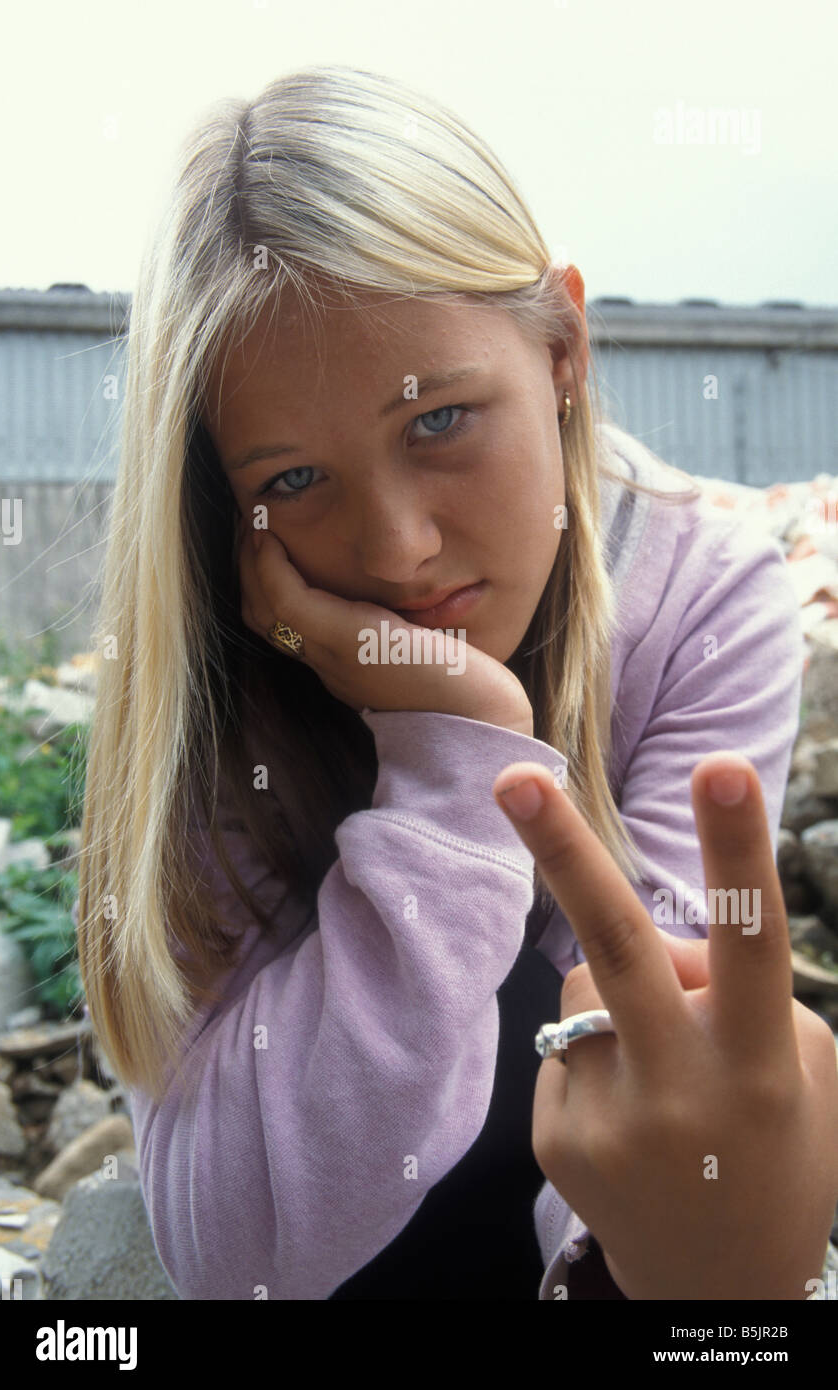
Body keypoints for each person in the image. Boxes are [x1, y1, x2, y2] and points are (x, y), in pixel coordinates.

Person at [74, 63, 838, 1300]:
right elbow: (241, 1254)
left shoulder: (699, 604)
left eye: (438, 422)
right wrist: (453, 751)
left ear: (564, 348)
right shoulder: (207, 676)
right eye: (295, 481)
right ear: (223, 502)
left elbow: (664, 1103)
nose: (397, 553)